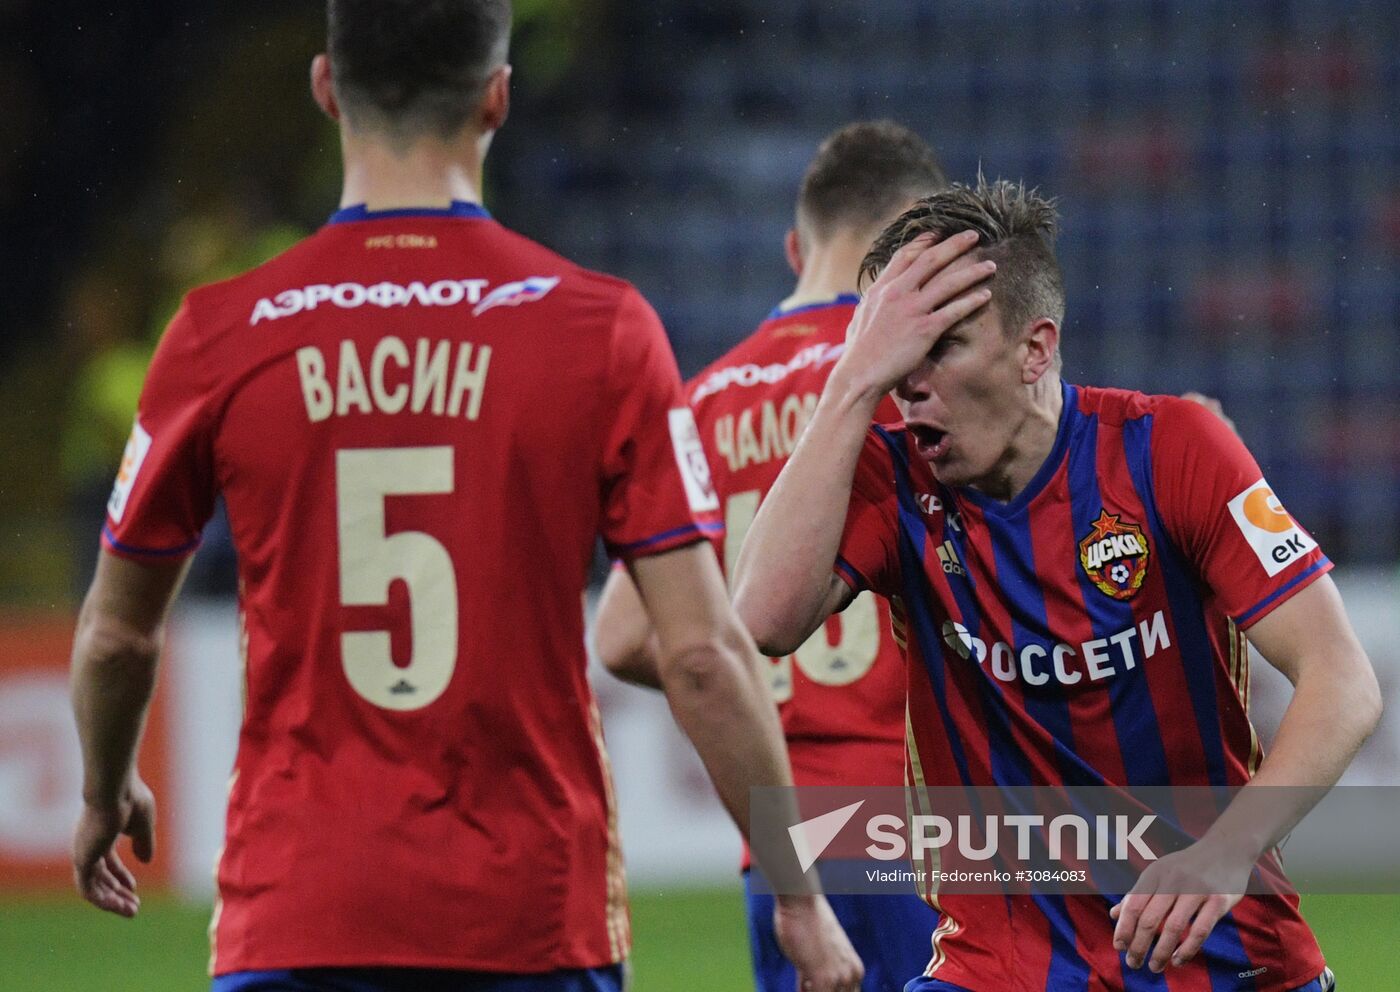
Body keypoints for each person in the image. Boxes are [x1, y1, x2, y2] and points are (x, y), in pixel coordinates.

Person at [67, 3, 863, 991]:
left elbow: (116, 635)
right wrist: (795, 890)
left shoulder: (220, 331)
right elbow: (701, 651)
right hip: (526, 918)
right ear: (498, 97)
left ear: (324, 88)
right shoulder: (599, 329)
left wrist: (104, 786)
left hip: (300, 913)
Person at [731, 176, 1380, 991]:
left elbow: (1343, 679)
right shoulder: (889, 478)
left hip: (1214, 952)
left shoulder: (1171, 449)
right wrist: (851, 380)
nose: (908, 383)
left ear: (1035, 347)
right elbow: (758, 620)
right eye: (896, 352)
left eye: (944, 347)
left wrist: (1225, 849)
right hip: (994, 964)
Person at [594, 120, 946, 992]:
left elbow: (623, 638)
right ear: (920, 247)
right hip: (926, 826)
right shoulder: (926, 384)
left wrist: (751, 684)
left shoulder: (704, 399)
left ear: (796, 246)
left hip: (786, 845)